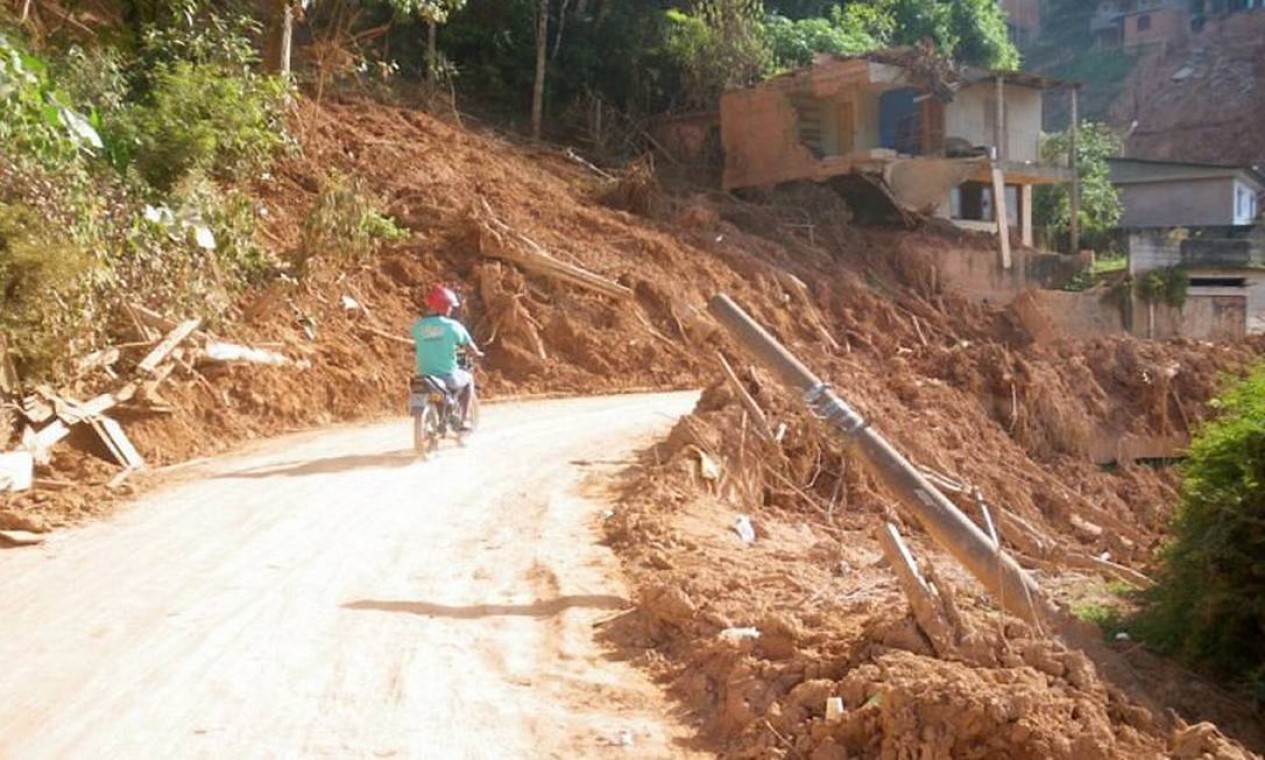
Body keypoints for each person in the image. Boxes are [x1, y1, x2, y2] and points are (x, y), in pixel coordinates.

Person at [412, 285, 483, 430]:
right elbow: (471, 348)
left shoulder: (417, 326)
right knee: (468, 379)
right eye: (450, 306)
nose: (451, 309)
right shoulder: (453, 326)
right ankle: (463, 420)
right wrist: (477, 354)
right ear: (444, 307)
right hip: (446, 376)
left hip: (423, 374)